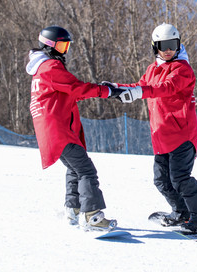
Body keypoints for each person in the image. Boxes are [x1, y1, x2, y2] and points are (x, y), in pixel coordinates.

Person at [104, 23, 197, 234]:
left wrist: (139, 92)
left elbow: (166, 88)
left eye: (172, 45)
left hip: (181, 134)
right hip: (161, 135)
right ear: (155, 47)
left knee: (180, 179)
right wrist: (115, 88)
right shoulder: (152, 70)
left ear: (179, 44)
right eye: (163, 46)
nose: (167, 50)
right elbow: (141, 86)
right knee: (162, 181)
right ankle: (182, 212)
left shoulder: (183, 69)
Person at [26, 25, 125, 232]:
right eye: (62, 46)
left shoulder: (41, 70)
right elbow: (77, 87)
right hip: (59, 132)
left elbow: (71, 92)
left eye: (67, 46)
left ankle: (74, 209)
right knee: (86, 171)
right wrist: (106, 91)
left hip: (53, 133)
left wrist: (102, 89)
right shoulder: (50, 67)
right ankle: (92, 216)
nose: (64, 51)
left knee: (74, 169)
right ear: (50, 46)